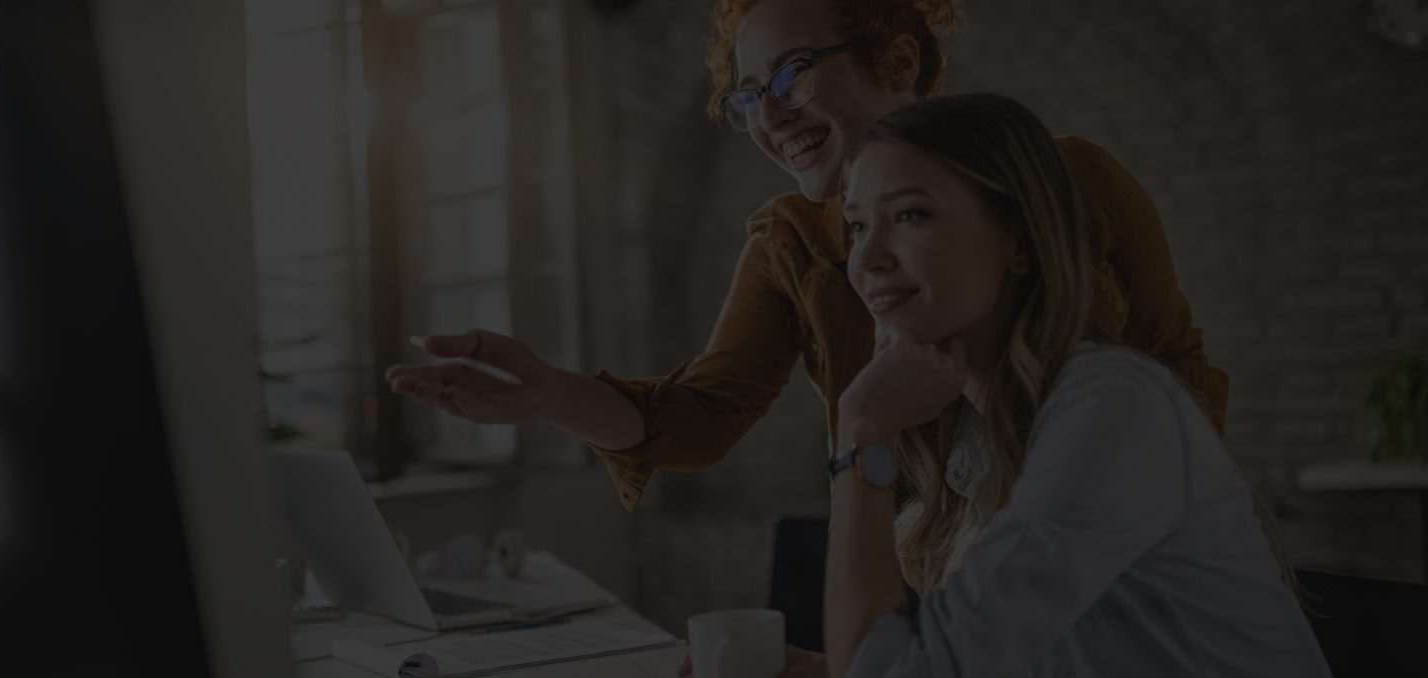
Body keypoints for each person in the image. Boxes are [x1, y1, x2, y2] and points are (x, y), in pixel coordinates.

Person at [384, 0, 1227, 513]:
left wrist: (1162, 520)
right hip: (924, 581)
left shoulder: (1071, 181)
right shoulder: (788, 242)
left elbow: (1176, 368)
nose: (768, 115)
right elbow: (702, 416)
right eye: (747, 95)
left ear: (899, 59)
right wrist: (548, 395)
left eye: (790, 74)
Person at [821, 92, 1341, 678]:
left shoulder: (1113, 409)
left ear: (1019, 240)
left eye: (908, 215)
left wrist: (862, 433)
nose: (866, 258)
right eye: (857, 225)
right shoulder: (984, 443)